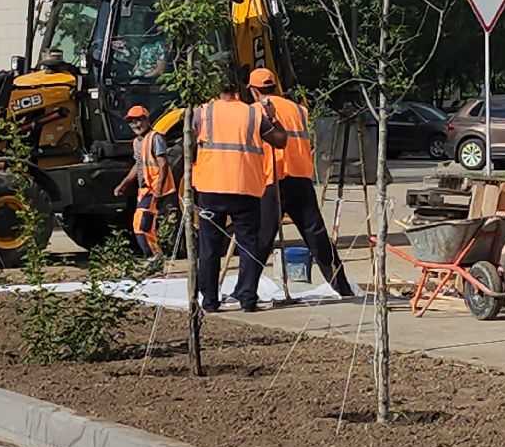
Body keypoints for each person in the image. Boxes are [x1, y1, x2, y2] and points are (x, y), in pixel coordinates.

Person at [247, 68, 354, 296]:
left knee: (262, 237)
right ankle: (341, 285)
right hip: (300, 176)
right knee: (316, 234)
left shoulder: (254, 112)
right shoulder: (299, 109)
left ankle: (247, 290)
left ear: (255, 91)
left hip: (271, 177)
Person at [190, 78, 287, 313]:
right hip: (245, 189)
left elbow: (188, 145)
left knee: (209, 247)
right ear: (238, 90)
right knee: (249, 245)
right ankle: (247, 298)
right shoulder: (252, 115)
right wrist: (273, 117)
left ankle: (210, 301)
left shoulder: (201, 113)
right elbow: (280, 141)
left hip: (211, 188)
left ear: (215, 89)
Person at [112, 105, 175, 258]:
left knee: (143, 225)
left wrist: (158, 188)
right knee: (141, 226)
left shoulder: (155, 138)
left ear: (147, 120)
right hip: (144, 190)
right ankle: (154, 257)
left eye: (139, 121)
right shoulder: (137, 142)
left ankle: (154, 257)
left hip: (153, 189)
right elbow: (139, 165)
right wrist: (123, 184)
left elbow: (163, 163)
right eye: (132, 122)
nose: (136, 125)